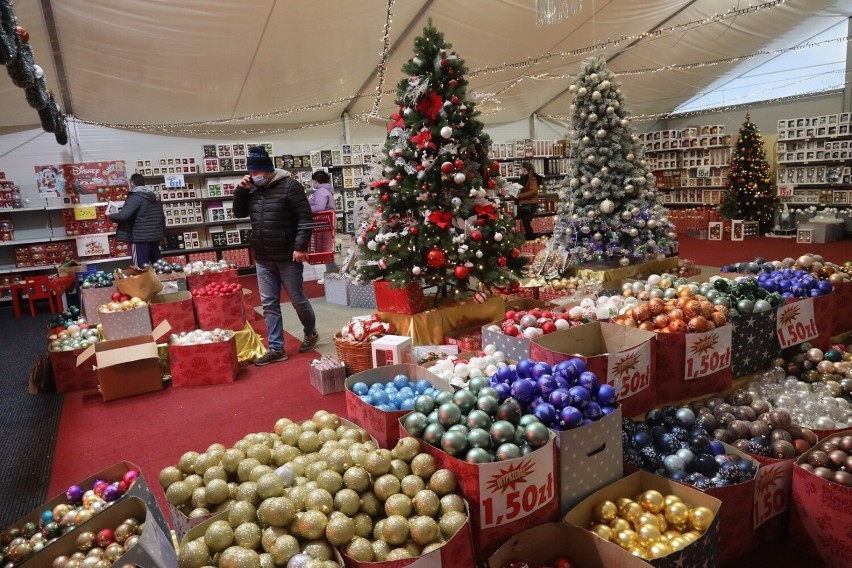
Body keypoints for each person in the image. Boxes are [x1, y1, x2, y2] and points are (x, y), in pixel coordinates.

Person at [233, 145, 319, 366]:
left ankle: (310, 332)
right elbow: (239, 212)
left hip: (288, 256)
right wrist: (241, 190)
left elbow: (305, 218)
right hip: (262, 256)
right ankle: (276, 347)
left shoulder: (291, 186)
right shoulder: (251, 189)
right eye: (251, 173)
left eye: (256, 172)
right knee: (269, 304)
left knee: (298, 300)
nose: (253, 176)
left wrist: (300, 247)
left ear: (267, 169)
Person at [108, 173, 166, 266]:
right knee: (158, 265)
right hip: (155, 236)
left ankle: (144, 281)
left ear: (132, 183)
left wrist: (110, 216)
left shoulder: (135, 197)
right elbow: (162, 217)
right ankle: (159, 280)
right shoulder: (155, 197)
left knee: (140, 266)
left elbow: (123, 216)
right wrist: (163, 235)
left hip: (140, 238)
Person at [308, 170, 338, 280]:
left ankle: (332, 275)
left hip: (323, 223)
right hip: (327, 222)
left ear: (316, 181)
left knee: (326, 250)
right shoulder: (328, 190)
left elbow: (319, 207)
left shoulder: (321, 191)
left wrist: (306, 209)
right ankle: (332, 274)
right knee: (327, 249)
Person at [516, 161, 543, 240]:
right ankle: (530, 237)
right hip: (525, 203)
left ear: (529, 170)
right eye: (521, 169)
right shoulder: (523, 178)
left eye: (524, 170)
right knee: (525, 222)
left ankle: (531, 238)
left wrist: (519, 196)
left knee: (526, 222)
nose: (522, 171)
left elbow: (533, 191)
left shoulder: (532, 178)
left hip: (531, 204)